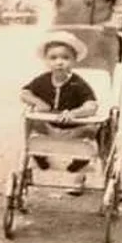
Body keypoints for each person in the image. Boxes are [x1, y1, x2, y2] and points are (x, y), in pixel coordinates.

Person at [21, 31, 99, 196]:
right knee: (32, 126)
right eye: (53, 58)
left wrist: (75, 113)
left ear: (74, 60)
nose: (59, 62)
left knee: (91, 133)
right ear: (46, 61)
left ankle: (78, 176)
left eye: (65, 58)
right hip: (49, 126)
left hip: (73, 128)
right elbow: (24, 92)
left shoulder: (77, 83)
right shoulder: (42, 80)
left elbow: (91, 105)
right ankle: (40, 156)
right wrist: (38, 102)